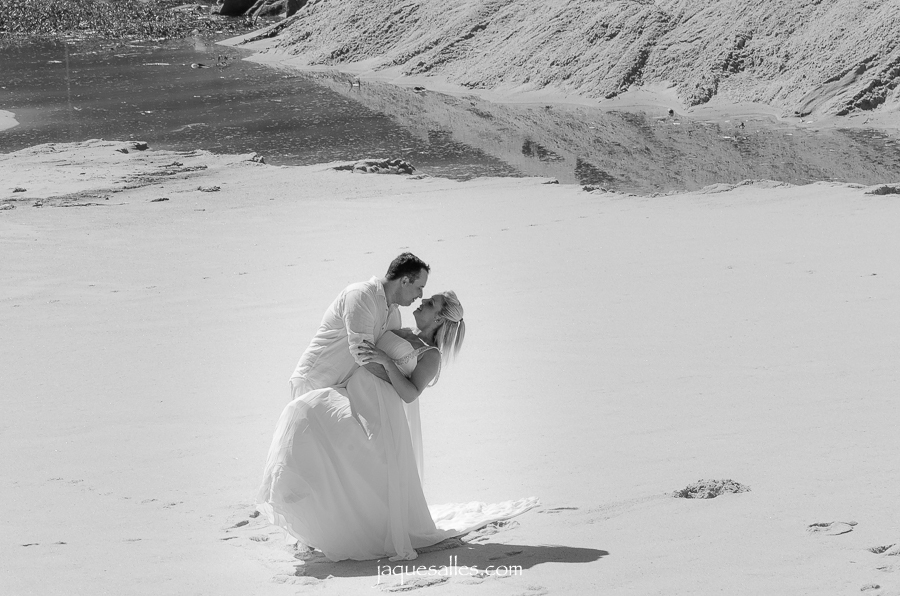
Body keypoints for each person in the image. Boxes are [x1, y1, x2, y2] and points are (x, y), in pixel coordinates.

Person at [257, 290, 538, 562]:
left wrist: (387, 362)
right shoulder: (399, 328)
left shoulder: (431, 355)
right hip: (350, 391)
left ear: (439, 319)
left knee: (323, 433)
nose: (421, 302)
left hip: (379, 410)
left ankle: (334, 524)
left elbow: (410, 393)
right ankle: (301, 508)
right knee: (302, 412)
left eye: (429, 303)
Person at [289, 252, 430, 399]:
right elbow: (363, 355)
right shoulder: (361, 295)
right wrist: (401, 386)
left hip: (340, 392)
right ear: (405, 280)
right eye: (419, 287)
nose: (420, 295)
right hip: (313, 383)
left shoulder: (395, 315)